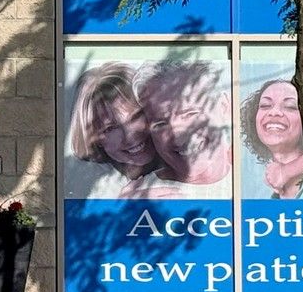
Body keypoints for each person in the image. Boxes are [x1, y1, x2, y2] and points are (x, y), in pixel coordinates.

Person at [134, 60, 234, 196]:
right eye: (160, 124)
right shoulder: (139, 196)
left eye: (190, 114)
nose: (177, 137)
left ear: (224, 108)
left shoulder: (254, 178)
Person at [64, 62, 160, 199]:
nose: (129, 136)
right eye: (110, 128)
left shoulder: (185, 162)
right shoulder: (86, 189)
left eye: (136, 116)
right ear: (94, 140)